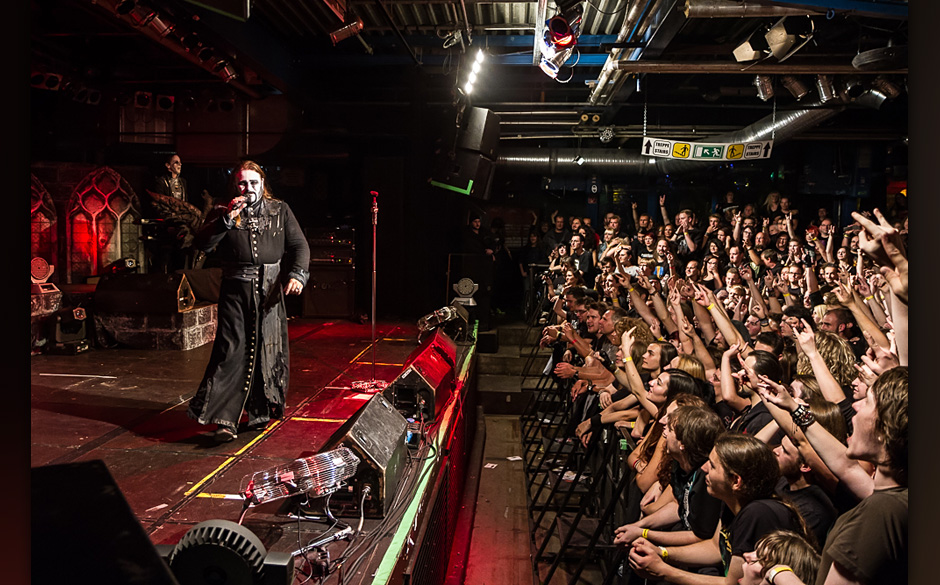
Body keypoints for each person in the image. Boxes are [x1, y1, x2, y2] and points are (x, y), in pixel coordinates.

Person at [187, 161, 310, 443]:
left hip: (269, 290)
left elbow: (299, 245)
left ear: (263, 184)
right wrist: (226, 218)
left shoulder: (280, 210)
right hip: (236, 290)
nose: (249, 188)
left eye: (254, 183)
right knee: (232, 350)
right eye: (243, 183)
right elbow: (202, 245)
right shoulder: (223, 211)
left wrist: (298, 275)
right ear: (235, 186)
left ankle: (260, 410)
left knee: (267, 348)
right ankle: (224, 420)